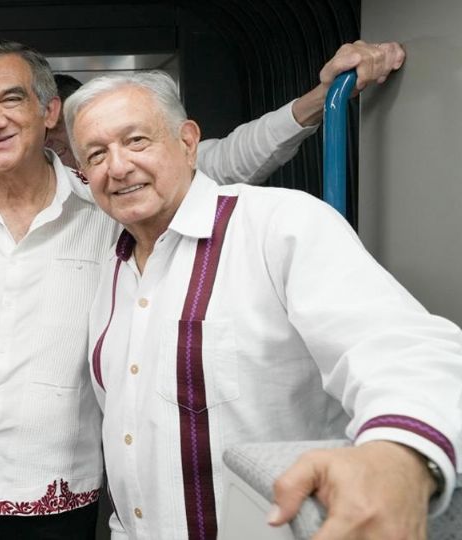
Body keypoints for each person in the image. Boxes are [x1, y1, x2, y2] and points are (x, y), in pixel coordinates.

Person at [0, 39, 405, 539]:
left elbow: (216, 163)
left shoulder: (110, 207)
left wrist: (319, 101)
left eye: (11, 99)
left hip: (54, 488)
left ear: (49, 113)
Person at [66, 70, 462, 539]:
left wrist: (397, 456)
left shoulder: (279, 225)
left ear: (188, 142)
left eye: (136, 140)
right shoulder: (113, 268)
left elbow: (401, 347)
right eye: (96, 154)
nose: (118, 166)